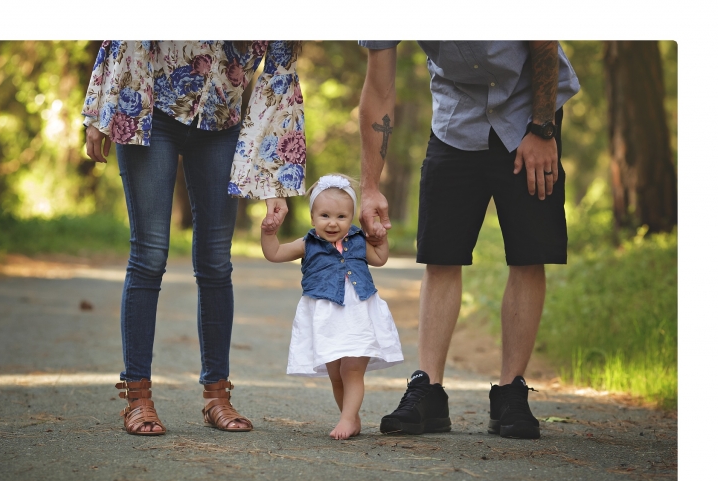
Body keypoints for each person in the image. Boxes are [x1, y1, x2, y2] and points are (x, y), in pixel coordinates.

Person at [358, 41, 580, 439]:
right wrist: (370, 185)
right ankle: (428, 390)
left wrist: (543, 129)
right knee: (441, 253)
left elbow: (544, 42)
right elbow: (378, 90)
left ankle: (511, 391)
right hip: (456, 119)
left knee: (529, 254)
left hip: (527, 113)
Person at [82, 41, 304, 435]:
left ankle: (217, 396)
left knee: (217, 261)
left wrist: (274, 184)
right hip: (152, 109)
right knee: (150, 254)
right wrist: (103, 109)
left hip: (221, 123)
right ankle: (138, 398)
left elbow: (278, 86)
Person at [260, 174, 404, 440]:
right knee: (336, 373)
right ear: (313, 217)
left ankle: (347, 418)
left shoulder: (359, 241)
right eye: (325, 215)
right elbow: (275, 253)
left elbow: (380, 259)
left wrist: (379, 238)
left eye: (341, 217)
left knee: (351, 369)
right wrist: (269, 233)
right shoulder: (307, 244)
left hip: (358, 312)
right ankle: (352, 418)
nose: (333, 223)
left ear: (351, 218)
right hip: (326, 317)